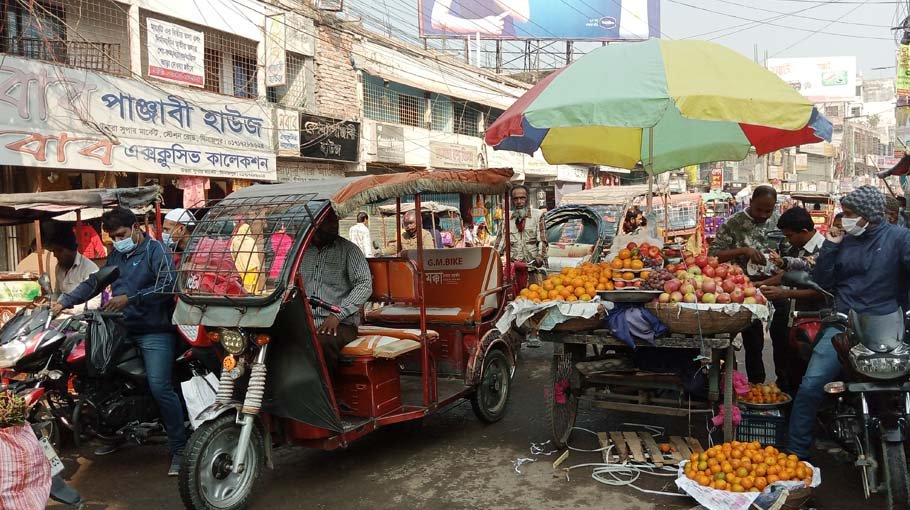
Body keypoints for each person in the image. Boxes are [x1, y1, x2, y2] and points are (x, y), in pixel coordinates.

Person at [50, 207, 185, 475]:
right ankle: (115, 434)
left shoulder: (156, 251)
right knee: (102, 379)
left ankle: (179, 448)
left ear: (136, 228)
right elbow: (94, 282)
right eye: (112, 237)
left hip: (155, 330)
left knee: (160, 386)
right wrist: (63, 302)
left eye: (121, 234)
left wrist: (130, 299)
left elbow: (168, 285)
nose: (117, 240)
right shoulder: (117, 255)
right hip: (122, 328)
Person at [787, 185, 910, 460]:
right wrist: (830, 247)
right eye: (844, 213)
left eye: (850, 214)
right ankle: (795, 452)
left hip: (891, 328)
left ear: (869, 214)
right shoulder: (843, 241)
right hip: (845, 325)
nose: (845, 219)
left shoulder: (900, 238)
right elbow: (822, 282)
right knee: (811, 386)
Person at [709, 185, 780, 384]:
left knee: (755, 343)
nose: (764, 215)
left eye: (769, 210)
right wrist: (743, 251)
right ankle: (727, 384)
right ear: (750, 203)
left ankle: (755, 385)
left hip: (761, 289)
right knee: (725, 343)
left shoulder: (776, 222)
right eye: (760, 209)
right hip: (731, 290)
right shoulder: (734, 223)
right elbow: (713, 254)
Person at [756, 207, 825, 393]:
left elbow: (821, 291)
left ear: (804, 232)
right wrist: (761, 284)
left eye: (789, 235)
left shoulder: (824, 251)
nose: (787, 240)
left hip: (813, 321)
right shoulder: (796, 248)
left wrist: (784, 294)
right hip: (791, 318)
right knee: (786, 365)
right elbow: (789, 275)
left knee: (804, 371)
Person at [300, 209, 372, 377]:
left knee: (323, 343)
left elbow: (364, 285)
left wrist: (338, 314)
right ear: (315, 223)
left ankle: (327, 396)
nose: (334, 226)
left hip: (342, 323)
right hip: (305, 320)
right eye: (328, 222)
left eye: (335, 222)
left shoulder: (349, 250)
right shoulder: (302, 252)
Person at [496, 184, 548, 290]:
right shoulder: (506, 218)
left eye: (522, 198)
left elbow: (542, 240)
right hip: (513, 269)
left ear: (527, 199)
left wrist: (540, 257)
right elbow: (500, 243)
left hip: (533, 268)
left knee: (535, 297)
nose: (519, 201)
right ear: (512, 201)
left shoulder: (538, 215)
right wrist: (494, 257)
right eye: (515, 199)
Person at [45, 228, 101, 312]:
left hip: (81, 319)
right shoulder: (59, 268)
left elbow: (95, 304)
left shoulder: (90, 269)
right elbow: (58, 292)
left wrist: (66, 308)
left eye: (59, 251)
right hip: (61, 316)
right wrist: (51, 303)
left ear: (72, 249)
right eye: (54, 251)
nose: (55, 255)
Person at [429, 0, 530, 36]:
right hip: (468, 45)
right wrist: (480, 25)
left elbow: (523, 15)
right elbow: (436, 19)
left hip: (504, 45)